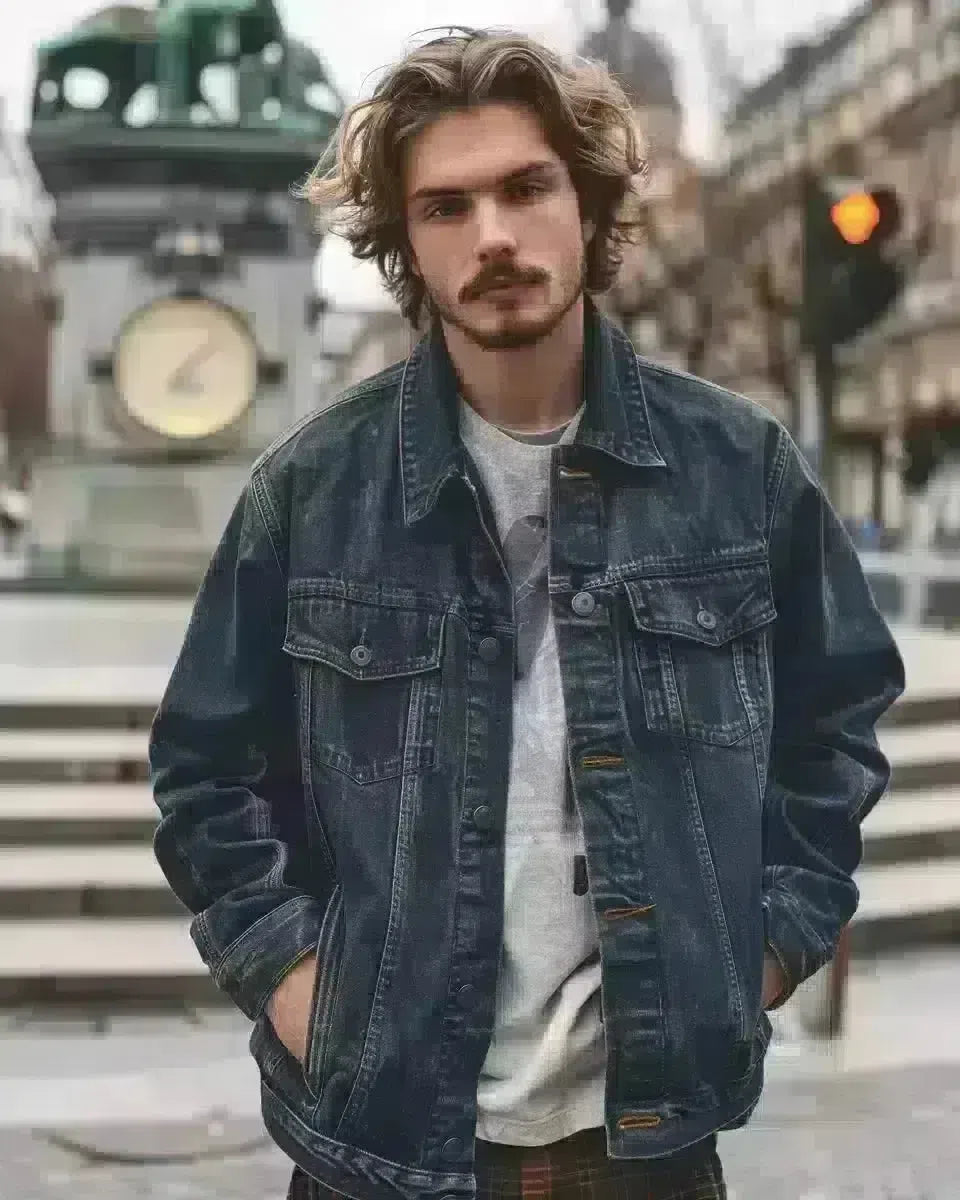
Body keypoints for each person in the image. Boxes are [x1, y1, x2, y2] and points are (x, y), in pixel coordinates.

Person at [150, 28, 906, 1200]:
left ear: (589, 203)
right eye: (445, 207)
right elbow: (206, 771)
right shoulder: (310, 493)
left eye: (525, 187)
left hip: (650, 1142)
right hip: (384, 1146)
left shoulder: (739, 469)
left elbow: (838, 721)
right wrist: (304, 991)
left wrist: (758, 958)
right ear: (404, 244)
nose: (493, 236)